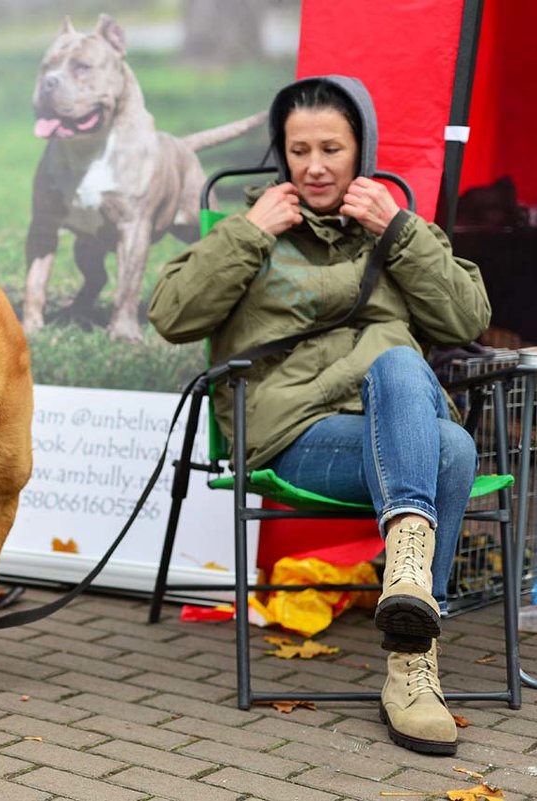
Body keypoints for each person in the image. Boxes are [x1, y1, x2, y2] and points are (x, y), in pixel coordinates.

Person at [148, 75, 490, 756]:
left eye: (330, 148)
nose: (313, 165)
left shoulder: (392, 230)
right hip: (298, 432)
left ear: (358, 151)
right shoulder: (254, 228)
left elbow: (466, 317)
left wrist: (395, 230)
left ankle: (407, 623)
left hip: (398, 421)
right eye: (297, 149)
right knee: (448, 450)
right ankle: (413, 660)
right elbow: (171, 315)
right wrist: (246, 234)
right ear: (280, 154)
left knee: (400, 371)